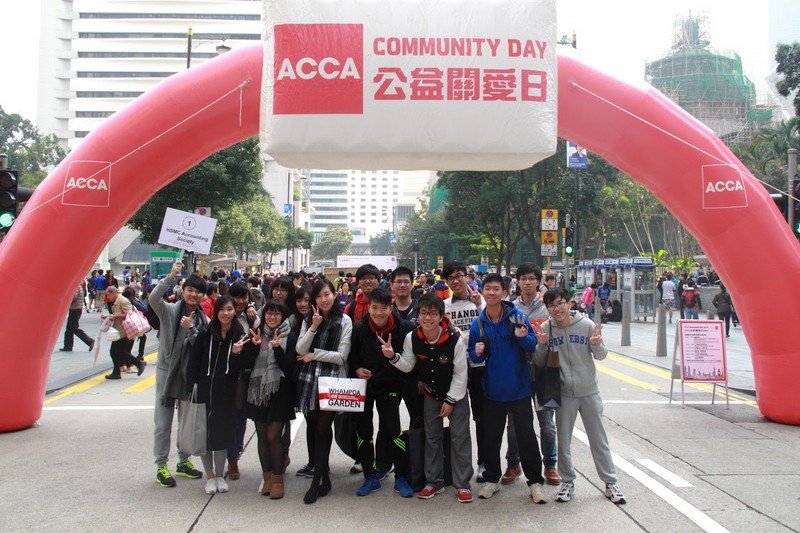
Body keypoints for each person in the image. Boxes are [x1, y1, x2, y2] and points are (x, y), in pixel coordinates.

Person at [534, 287, 626, 505]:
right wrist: (542, 344)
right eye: (552, 305)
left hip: (589, 392)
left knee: (599, 440)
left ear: (569, 303)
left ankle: (611, 482)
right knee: (563, 442)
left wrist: (596, 345)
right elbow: (538, 362)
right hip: (564, 394)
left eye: (560, 303)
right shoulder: (547, 328)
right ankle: (568, 482)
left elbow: (601, 356)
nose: (557, 309)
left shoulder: (586, 326)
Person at [467, 273, 547, 503]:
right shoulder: (478, 323)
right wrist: (476, 352)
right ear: (482, 292)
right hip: (492, 391)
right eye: (487, 289)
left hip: (519, 389)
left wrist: (523, 337)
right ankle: (492, 479)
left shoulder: (517, 317)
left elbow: (532, 345)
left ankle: (535, 482)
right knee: (492, 437)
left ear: (504, 292)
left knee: (527, 438)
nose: (491, 293)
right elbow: (472, 355)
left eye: (496, 289)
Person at [389, 293, 474, 503]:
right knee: (432, 439)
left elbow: (461, 373)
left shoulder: (455, 338)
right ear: (419, 315)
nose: (428, 318)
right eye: (424, 313)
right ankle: (433, 482)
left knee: (459, 439)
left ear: (441, 316)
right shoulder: (413, 337)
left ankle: (463, 485)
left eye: (433, 314)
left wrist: (451, 401)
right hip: (431, 395)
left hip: (457, 396)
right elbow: (408, 364)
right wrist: (392, 356)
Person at [349, 287, 415, 498]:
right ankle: (370, 477)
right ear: (368, 308)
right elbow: (352, 357)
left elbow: (408, 358)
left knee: (393, 430)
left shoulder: (403, 328)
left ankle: (402, 477)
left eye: (383, 308)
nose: (378, 313)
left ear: (391, 307)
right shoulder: (359, 329)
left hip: (390, 387)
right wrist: (357, 369)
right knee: (364, 433)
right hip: (364, 389)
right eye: (374, 308)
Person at [149, 260, 209, 488]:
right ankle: (161, 465)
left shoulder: (204, 320)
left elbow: (203, 346)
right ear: (183, 291)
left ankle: (183, 461)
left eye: (197, 292)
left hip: (189, 375)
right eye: (190, 290)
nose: (193, 295)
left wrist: (191, 330)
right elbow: (154, 299)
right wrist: (171, 276)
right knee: (163, 422)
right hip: (167, 371)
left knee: (186, 421)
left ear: (203, 295)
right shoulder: (170, 311)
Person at [295, 279, 353, 504]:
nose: (324, 299)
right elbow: (299, 348)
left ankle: (317, 480)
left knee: (322, 427)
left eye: (327, 294)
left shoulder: (344, 320)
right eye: (318, 296)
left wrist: (314, 354)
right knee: (316, 428)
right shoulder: (310, 319)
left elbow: (341, 356)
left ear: (334, 294)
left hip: (332, 383)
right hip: (309, 381)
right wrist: (313, 327)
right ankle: (324, 478)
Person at [186, 295, 251, 495]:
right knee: (205, 436)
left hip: (226, 393)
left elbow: (240, 369)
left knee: (221, 436)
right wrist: (191, 388)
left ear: (234, 311)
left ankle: (220, 475)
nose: (226, 313)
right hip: (204, 391)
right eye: (222, 309)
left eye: (230, 309)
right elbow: (193, 363)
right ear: (216, 312)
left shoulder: (239, 334)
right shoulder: (206, 334)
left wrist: (237, 353)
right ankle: (210, 476)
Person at [503, 263, 560, 486]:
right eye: (523, 278)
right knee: (514, 423)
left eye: (531, 279)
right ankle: (513, 463)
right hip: (517, 372)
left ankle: (551, 465)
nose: (527, 282)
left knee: (546, 423)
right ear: (517, 282)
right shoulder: (510, 308)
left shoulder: (548, 307)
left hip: (545, 371)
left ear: (539, 281)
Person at [242, 299, 297, 499]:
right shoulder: (255, 334)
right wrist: (254, 347)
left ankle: (277, 478)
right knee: (262, 436)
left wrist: (278, 349)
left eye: (277, 313)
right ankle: (267, 477)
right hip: (257, 392)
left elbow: (291, 369)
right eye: (269, 313)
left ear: (283, 317)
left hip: (280, 392)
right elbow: (246, 364)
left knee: (274, 436)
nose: (272, 317)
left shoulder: (289, 337)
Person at [442, 261, 486, 480]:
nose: (456, 280)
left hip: (479, 366)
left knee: (482, 417)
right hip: (455, 368)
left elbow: (491, 325)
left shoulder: (480, 302)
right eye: (451, 277)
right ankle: (456, 467)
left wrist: (480, 305)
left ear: (468, 277)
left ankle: (484, 463)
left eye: (460, 275)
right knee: (458, 419)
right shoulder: (444, 306)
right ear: (446, 282)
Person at [102, 286, 146, 379]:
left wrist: (115, 317)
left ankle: (138, 363)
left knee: (118, 351)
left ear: (113, 293)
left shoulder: (123, 301)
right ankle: (117, 372)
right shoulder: (118, 301)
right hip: (119, 330)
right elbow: (118, 314)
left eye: (108, 295)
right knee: (116, 351)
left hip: (124, 330)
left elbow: (129, 314)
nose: (108, 298)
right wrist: (109, 316)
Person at [60, 284, 95, 352]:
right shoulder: (78, 285)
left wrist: (66, 298)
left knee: (74, 328)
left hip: (75, 309)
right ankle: (68, 346)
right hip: (76, 308)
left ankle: (89, 340)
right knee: (69, 329)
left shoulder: (75, 286)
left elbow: (74, 297)